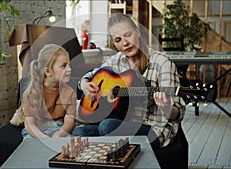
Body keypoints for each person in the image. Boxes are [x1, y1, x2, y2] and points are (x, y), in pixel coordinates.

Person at [72, 14, 186, 149]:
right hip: (122, 121)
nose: (125, 43)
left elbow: (179, 112)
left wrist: (167, 108)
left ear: (137, 32)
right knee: (79, 132)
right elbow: (91, 75)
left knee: (107, 126)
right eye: (118, 39)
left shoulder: (161, 62)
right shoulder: (116, 60)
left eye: (128, 35)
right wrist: (84, 84)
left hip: (154, 128)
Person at [10, 44, 77, 138]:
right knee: (32, 146)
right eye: (63, 66)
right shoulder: (31, 93)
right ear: (48, 71)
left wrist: (60, 134)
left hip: (59, 129)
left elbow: (69, 121)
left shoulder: (70, 93)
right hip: (37, 131)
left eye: (69, 65)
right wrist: (43, 138)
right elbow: (30, 124)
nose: (69, 69)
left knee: (69, 144)